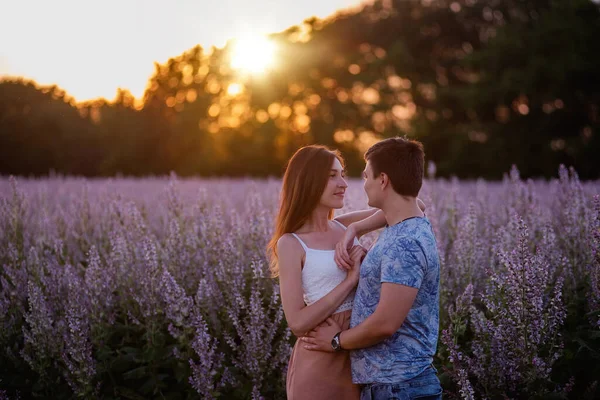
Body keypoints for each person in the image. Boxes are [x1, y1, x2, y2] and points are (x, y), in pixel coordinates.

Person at [301, 137, 442, 400]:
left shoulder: (404, 243)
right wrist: (355, 228)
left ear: (383, 180)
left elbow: (385, 324)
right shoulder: (406, 223)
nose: (362, 184)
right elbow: (417, 203)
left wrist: (336, 340)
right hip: (394, 385)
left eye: (366, 177)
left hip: (399, 387)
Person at [268, 145, 386, 400]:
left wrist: (355, 230)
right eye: (332, 176)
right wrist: (350, 280)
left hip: (357, 355)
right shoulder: (290, 243)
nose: (343, 183)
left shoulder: (344, 226)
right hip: (319, 361)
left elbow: (414, 206)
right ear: (308, 181)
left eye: (342, 174)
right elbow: (297, 323)